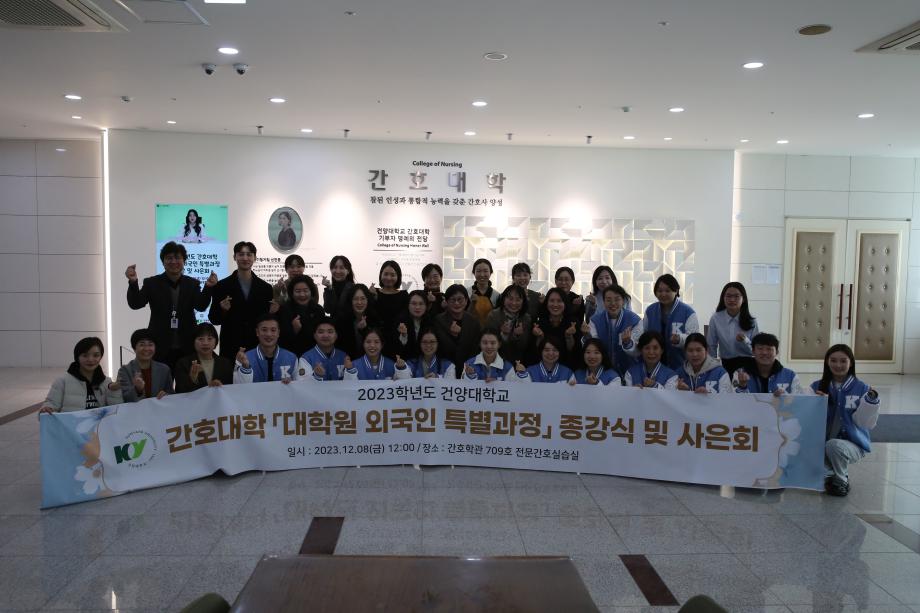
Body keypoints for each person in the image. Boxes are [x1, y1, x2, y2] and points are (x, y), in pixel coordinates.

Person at [126, 241, 217, 368]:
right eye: (169, 258)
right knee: (160, 380)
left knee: (187, 380)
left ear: (184, 261)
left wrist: (208, 287)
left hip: (187, 346)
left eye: (178, 258)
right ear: (163, 262)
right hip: (159, 345)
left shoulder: (192, 284)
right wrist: (133, 282)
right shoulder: (152, 283)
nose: (173, 261)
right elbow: (136, 304)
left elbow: (201, 306)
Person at [811, 344, 881, 497]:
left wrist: (871, 402)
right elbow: (806, 418)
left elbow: (866, 423)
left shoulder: (862, 388)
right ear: (827, 362)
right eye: (833, 360)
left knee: (833, 445)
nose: (838, 365)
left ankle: (841, 479)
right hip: (822, 442)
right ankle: (830, 475)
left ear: (851, 363)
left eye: (843, 361)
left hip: (852, 444)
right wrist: (818, 404)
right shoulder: (817, 386)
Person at [208, 241, 275, 357]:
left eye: (249, 254)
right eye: (241, 254)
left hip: (257, 345)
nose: (245, 258)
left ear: (255, 258)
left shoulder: (266, 288)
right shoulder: (222, 286)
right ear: (234, 257)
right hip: (230, 345)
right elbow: (214, 319)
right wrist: (223, 310)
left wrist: (273, 312)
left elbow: (268, 320)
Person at [39, 337, 122, 414]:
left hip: (99, 425)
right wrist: (46, 409)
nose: (90, 359)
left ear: (101, 357)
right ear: (77, 357)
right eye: (85, 355)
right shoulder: (62, 381)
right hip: (71, 425)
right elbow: (50, 404)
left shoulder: (107, 382)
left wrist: (114, 390)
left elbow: (116, 411)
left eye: (96, 355)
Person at [641, 273, 699, 371]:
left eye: (667, 291)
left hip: (681, 366)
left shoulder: (688, 312)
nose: (663, 294)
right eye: (660, 291)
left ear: (676, 291)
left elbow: (694, 339)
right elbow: (643, 334)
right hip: (653, 366)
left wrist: (680, 339)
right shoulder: (650, 310)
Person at [587, 285, 642, 376]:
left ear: (623, 301)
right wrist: (586, 335)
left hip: (630, 372)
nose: (613, 303)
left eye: (617, 299)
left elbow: (638, 352)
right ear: (604, 302)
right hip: (603, 372)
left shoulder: (635, 321)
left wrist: (628, 343)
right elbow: (594, 346)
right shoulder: (595, 321)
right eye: (608, 300)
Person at [707, 282, 759, 375]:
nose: (732, 299)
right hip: (725, 364)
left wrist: (745, 340)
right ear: (723, 298)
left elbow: (756, 350)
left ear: (743, 299)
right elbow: (711, 345)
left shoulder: (751, 321)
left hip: (747, 364)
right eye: (728, 296)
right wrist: (712, 369)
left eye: (736, 296)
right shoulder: (716, 318)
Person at [233, 314, 300, 383]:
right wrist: (245, 367)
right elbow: (237, 386)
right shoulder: (244, 358)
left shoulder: (292, 358)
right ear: (257, 332)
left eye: (273, 330)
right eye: (264, 330)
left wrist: (291, 384)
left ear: (278, 333)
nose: (268, 334)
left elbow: (300, 385)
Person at [732, 333, 805, 395]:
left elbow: (799, 402)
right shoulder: (739, 373)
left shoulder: (791, 376)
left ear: (777, 352)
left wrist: (785, 398)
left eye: (769, 349)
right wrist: (742, 386)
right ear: (753, 351)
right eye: (760, 348)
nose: (764, 352)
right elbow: (733, 402)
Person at [434, 284, 481, 376]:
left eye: (460, 299)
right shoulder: (438, 320)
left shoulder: (474, 322)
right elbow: (439, 349)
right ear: (447, 302)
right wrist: (454, 337)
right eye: (452, 300)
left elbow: (476, 349)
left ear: (466, 301)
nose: (456, 303)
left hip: (469, 370)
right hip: (445, 370)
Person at [117, 329, 174, 402]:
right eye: (142, 345)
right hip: (136, 409)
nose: (146, 349)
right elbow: (124, 399)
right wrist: (137, 390)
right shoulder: (125, 371)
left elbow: (172, 394)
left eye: (150, 345)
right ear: (134, 348)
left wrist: (167, 395)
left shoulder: (164, 369)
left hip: (158, 409)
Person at [174, 323, 234, 392]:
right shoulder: (183, 363)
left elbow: (231, 390)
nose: (205, 343)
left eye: (210, 339)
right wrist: (192, 379)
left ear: (216, 341)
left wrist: (221, 387)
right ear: (193, 341)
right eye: (200, 339)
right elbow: (180, 391)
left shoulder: (225, 363)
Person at [278, 274, 326, 356]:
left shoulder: (318, 310)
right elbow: (281, 339)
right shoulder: (285, 309)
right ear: (292, 293)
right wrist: (294, 330)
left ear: (311, 291)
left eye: (305, 291)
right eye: (298, 291)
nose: (302, 295)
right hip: (291, 355)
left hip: (315, 355)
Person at [532, 287, 579, 368]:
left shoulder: (573, 322)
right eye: (551, 301)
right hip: (544, 367)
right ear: (546, 303)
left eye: (559, 301)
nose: (555, 304)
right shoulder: (539, 323)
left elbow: (575, 352)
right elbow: (535, 352)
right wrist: (540, 337)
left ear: (565, 303)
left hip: (567, 368)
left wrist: (569, 337)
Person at [486, 284, 532, 365]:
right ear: (503, 299)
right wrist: (503, 335)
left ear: (523, 302)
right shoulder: (493, 315)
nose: (514, 303)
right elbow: (489, 345)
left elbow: (524, 347)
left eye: (518, 300)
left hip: (518, 363)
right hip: (496, 362)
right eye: (510, 299)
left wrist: (517, 336)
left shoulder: (526, 318)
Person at [343, 329, 411, 381]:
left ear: (382, 345)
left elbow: (403, 386)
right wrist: (349, 371)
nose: (372, 345)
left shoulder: (391, 365)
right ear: (363, 344)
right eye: (368, 342)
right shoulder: (354, 365)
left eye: (376, 342)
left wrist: (401, 369)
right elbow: (349, 390)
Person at [335, 283, 381, 358]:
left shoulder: (374, 319)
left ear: (368, 300)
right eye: (355, 299)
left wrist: (364, 330)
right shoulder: (342, 320)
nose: (359, 302)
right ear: (350, 300)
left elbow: (377, 345)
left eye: (363, 299)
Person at [299, 317, 348, 381]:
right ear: (314, 336)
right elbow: (302, 384)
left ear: (336, 335)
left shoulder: (343, 356)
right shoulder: (306, 358)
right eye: (321, 332)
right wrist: (316, 376)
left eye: (330, 332)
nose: (325, 335)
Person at [371, 260, 409, 337]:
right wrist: (371, 297)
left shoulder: (404, 295)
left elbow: (406, 319)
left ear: (398, 277)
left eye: (392, 275)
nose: (388, 278)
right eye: (385, 274)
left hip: (397, 337)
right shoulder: (374, 292)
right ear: (381, 275)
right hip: (377, 338)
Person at [394, 290, 431, 360]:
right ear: (408, 305)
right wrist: (404, 336)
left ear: (426, 306)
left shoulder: (430, 320)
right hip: (405, 360)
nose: (417, 307)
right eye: (414, 304)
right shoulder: (400, 320)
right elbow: (397, 348)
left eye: (421, 304)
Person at [468, 258, 500, 326]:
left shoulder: (496, 295)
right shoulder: (467, 292)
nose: (482, 274)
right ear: (474, 273)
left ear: (490, 273)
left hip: (490, 330)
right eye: (478, 271)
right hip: (470, 329)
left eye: (485, 271)